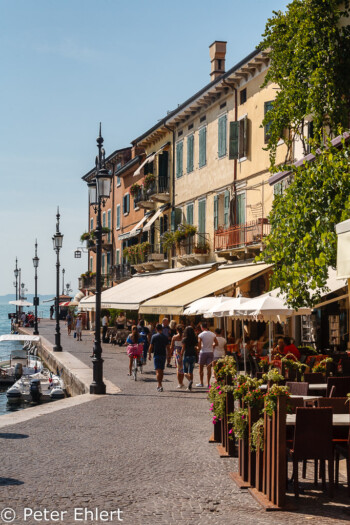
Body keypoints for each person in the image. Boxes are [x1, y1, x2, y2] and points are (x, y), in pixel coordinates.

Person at [196, 322, 218, 388]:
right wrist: (212, 346)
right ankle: (208, 383)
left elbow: (199, 346)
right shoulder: (213, 334)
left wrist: (197, 348)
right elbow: (216, 343)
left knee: (201, 368)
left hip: (203, 352)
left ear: (202, 327)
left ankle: (201, 382)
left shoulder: (200, 335)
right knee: (209, 368)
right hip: (210, 352)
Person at [148, 323, 169, 392]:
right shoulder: (165, 337)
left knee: (157, 370)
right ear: (162, 329)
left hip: (156, 355)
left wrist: (149, 354)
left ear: (156, 329)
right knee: (161, 370)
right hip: (163, 355)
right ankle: (160, 384)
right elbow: (168, 347)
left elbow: (151, 346)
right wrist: (169, 355)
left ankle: (159, 384)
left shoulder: (154, 336)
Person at [181, 326, 198, 391]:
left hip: (187, 355)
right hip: (193, 356)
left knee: (185, 371)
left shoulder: (185, 339)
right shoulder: (194, 339)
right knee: (191, 372)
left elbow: (183, 348)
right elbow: (196, 347)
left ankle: (190, 381)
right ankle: (190, 386)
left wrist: (181, 355)